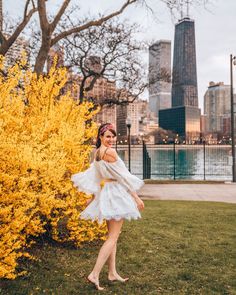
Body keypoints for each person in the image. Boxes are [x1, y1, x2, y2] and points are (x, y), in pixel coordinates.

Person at [71, 123, 145, 291]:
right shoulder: (110, 152)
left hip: (107, 194)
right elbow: (122, 177)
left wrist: (91, 197)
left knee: (113, 237)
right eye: (108, 137)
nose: (111, 139)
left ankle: (112, 273)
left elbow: (96, 177)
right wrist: (136, 197)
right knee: (113, 237)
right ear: (101, 137)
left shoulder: (97, 153)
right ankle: (95, 274)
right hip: (116, 194)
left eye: (113, 136)